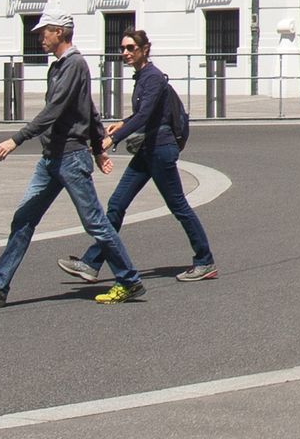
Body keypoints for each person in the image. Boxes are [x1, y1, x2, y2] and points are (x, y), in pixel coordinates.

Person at [0, 18, 143, 305]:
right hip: (51, 158)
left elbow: (55, 110)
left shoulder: (73, 65)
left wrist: (16, 139)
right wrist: (98, 148)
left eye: (44, 32)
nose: (39, 38)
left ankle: (129, 280)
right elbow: (90, 110)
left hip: (70, 157)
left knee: (95, 222)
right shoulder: (58, 66)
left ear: (59, 32)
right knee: (24, 219)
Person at [84, 27, 216, 283]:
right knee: (117, 204)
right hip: (148, 149)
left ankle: (205, 260)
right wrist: (123, 122)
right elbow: (146, 114)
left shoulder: (152, 77)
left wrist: (113, 138)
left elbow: (145, 115)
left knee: (178, 206)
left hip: (160, 150)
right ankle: (91, 263)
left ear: (145, 49)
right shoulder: (143, 77)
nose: (125, 53)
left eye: (130, 48)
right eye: (122, 48)